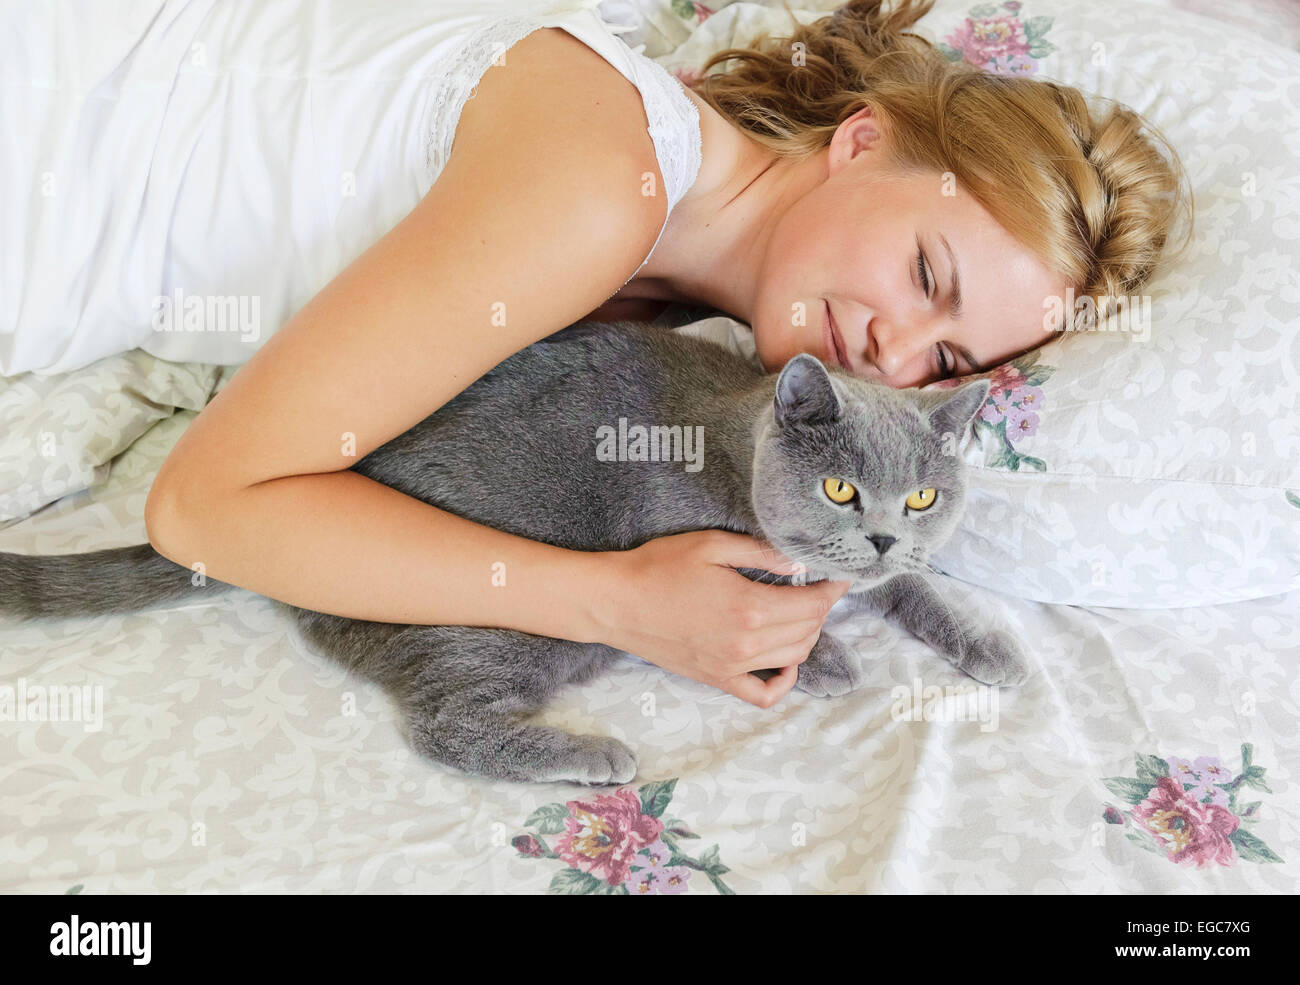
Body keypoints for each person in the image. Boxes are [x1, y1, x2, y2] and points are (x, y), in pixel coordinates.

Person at [37, 0, 1194, 707]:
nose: (896, 350)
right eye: (926, 275)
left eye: (945, 363)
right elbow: (206, 506)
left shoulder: (660, 323)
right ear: (859, 141)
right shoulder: (602, 183)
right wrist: (610, 604)